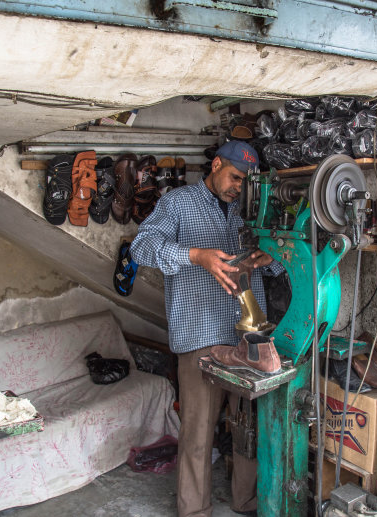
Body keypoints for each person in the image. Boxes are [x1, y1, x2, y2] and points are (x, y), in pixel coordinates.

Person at [130, 141, 285, 517]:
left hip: (247, 337)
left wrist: (270, 258)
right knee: (197, 433)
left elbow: (273, 270)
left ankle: (246, 500)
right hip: (200, 333)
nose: (238, 187)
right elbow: (141, 246)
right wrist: (196, 256)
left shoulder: (246, 213)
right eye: (234, 177)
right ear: (216, 165)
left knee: (248, 431)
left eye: (245, 182)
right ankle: (194, 510)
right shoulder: (179, 203)